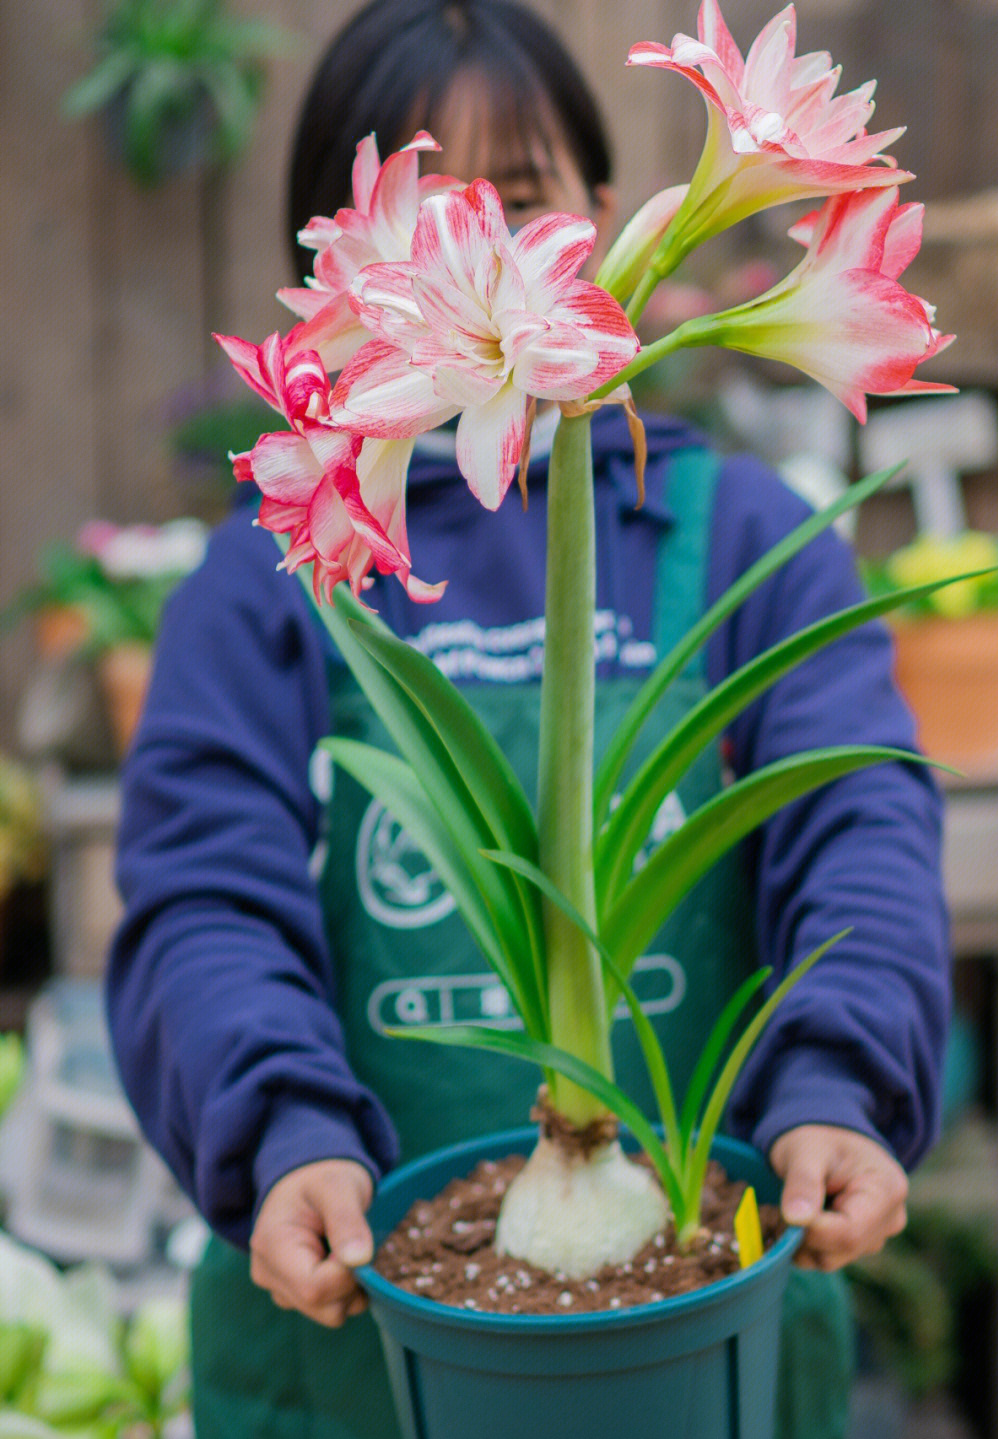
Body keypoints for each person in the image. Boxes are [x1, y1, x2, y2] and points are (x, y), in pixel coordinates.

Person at [107, 3, 950, 1437]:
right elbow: (204, 890)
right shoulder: (274, 569)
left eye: (520, 203)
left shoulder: (749, 531)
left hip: (708, 1293)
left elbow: (856, 823)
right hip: (358, 1320)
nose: (475, 252)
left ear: (613, 225)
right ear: (335, 270)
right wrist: (281, 1130)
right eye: (431, 217)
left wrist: (843, 1080)